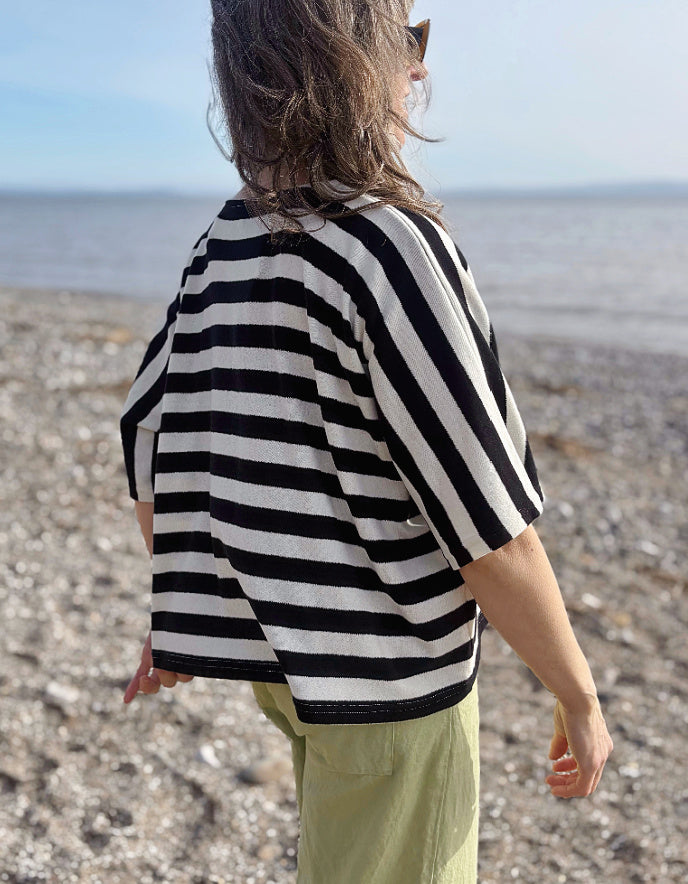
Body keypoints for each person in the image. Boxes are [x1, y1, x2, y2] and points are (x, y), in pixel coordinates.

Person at [120, 2, 613, 881]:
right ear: (344, 60)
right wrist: (578, 691)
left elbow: (155, 431)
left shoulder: (226, 239)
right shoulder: (388, 247)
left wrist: (188, 611)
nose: (420, 70)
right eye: (407, 40)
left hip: (290, 667)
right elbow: (490, 529)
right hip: (389, 681)